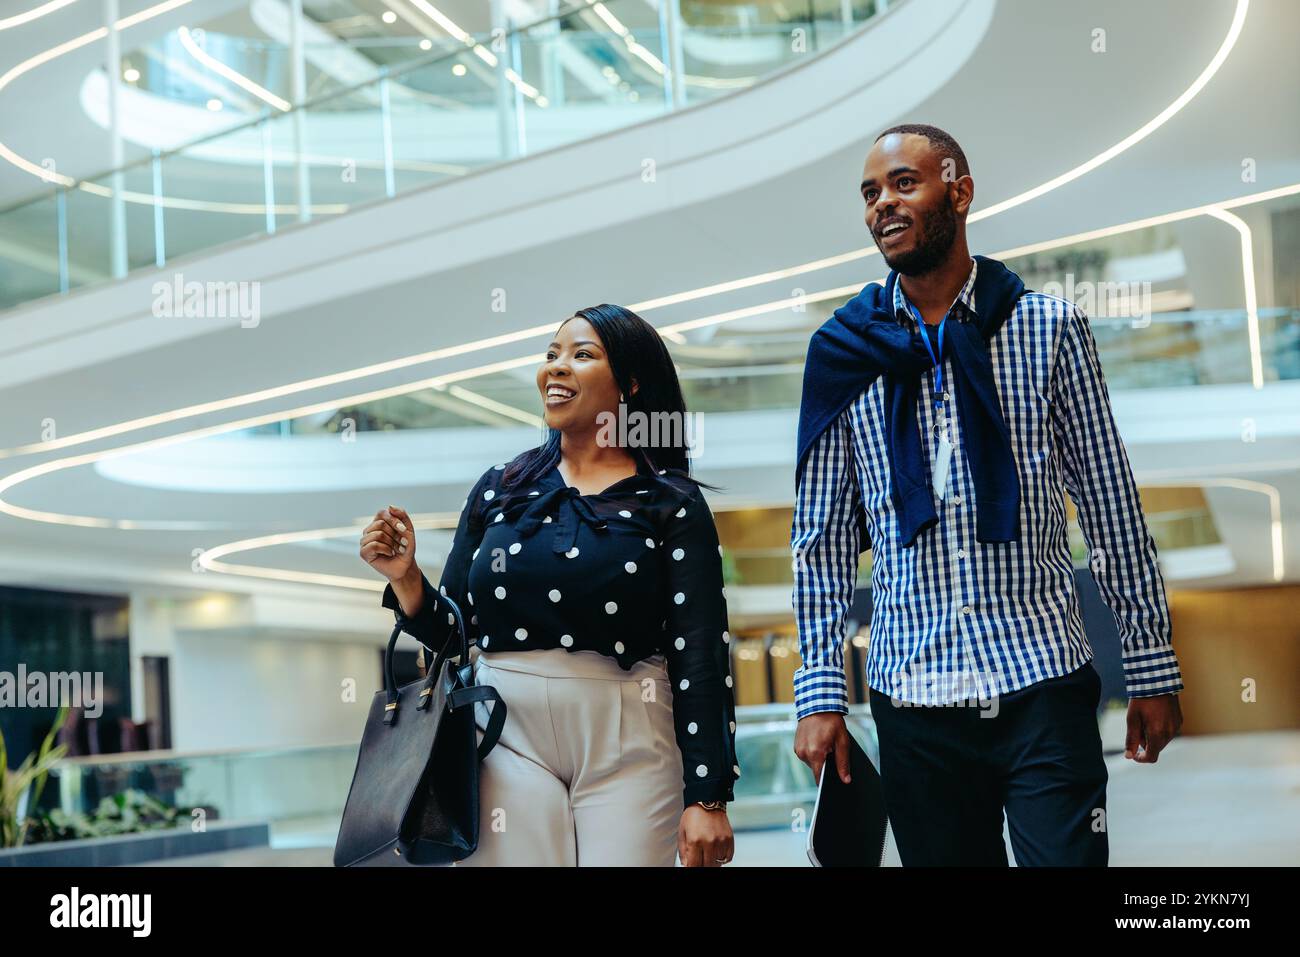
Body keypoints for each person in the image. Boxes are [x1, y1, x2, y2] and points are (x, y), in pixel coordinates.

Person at [791, 124, 1184, 866]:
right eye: (871, 193)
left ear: (960, 192)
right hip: (913, 699)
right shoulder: (843, 350)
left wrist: (1150, 660)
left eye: (905, 183)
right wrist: (819, 691)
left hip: (1042, 683)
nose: (883, 205)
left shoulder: (1049, 330)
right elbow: (822, 543)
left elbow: (1109, 504)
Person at [359, 304, 739, 866]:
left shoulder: (671, 502)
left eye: (582, 355)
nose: (556, 368)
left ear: (630, 383)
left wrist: (707, 795)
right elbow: (456, 637)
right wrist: (408, 581)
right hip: (502, 731)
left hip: (630, 735)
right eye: (552, 355)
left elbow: (700, 654)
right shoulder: (499, 489)